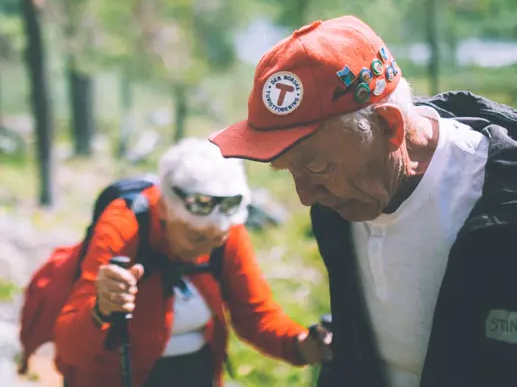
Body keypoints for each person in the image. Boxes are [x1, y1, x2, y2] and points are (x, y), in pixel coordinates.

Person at [208, 15, 517, 387]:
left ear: (389, 127)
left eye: (316, 167)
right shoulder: (337, 208)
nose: (304, 196)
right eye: (288, 170)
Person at [53, 137, 332, 387]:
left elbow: (255, 314)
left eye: (217, 240)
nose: (208, 249)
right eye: (196, 238)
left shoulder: (223, 226)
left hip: (193, 372)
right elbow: (69, 347)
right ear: (163, 210)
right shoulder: (123, 227)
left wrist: (304, 344)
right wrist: (101, 308)